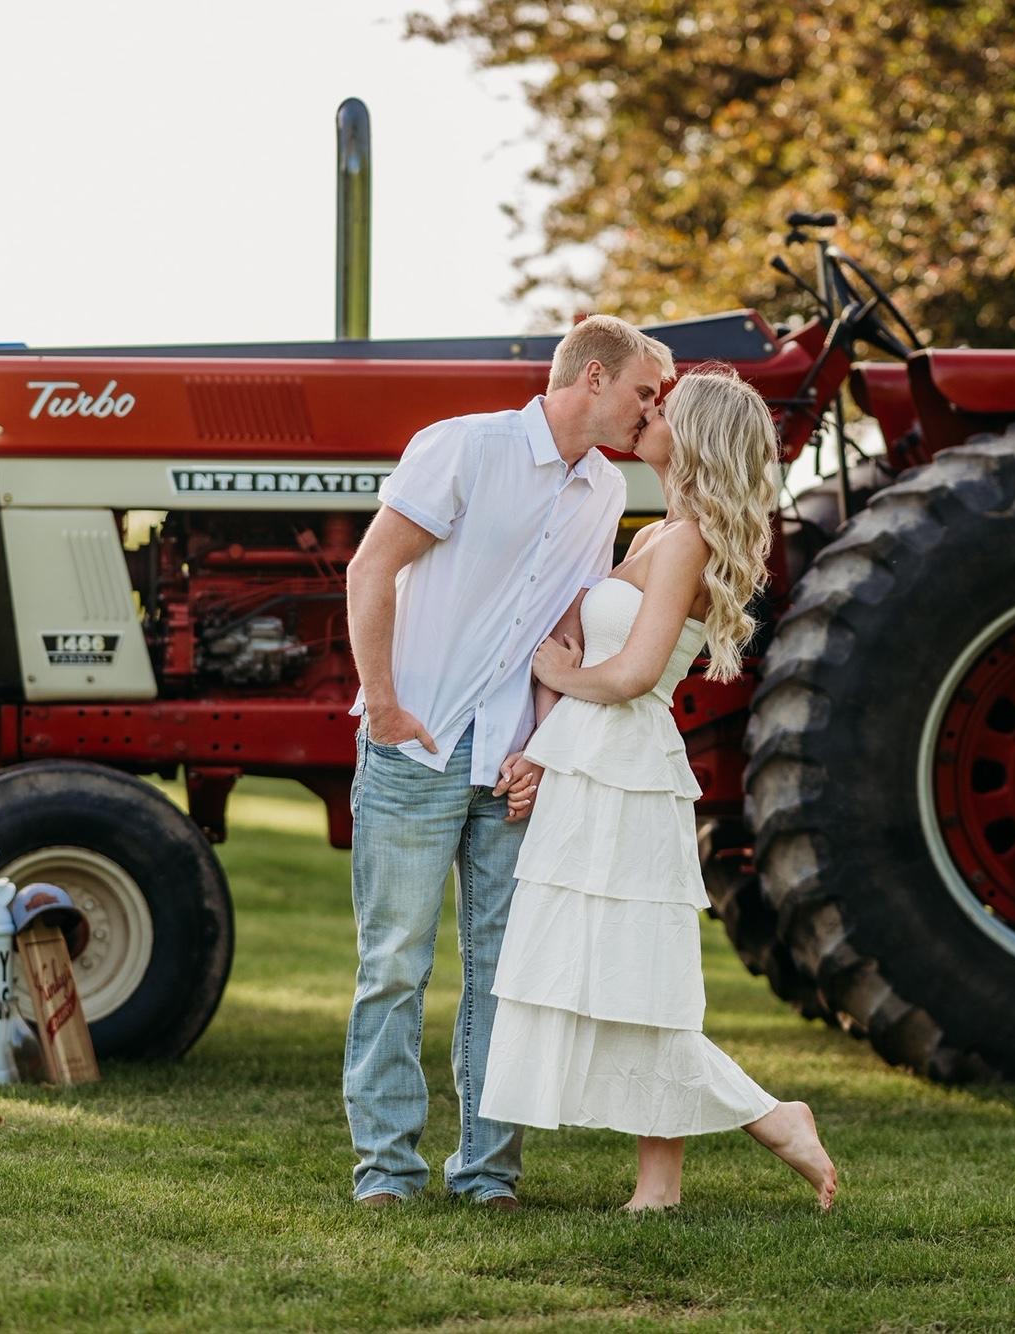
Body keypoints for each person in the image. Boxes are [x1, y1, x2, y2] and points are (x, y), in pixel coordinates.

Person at [479, 365, 838, 1212]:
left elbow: (636, 675)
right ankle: (688, 1166)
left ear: (697, 434)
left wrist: (563, 675)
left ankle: (743, 1134)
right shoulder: (653, 535)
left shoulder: (686, 542)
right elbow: (589, 653)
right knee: (596, 972)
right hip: (592, 760)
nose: (646, 411)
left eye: (663, 408)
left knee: (638, 974)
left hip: (631, 771)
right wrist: (544, 746)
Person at [343, 316, 676, 1208]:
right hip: (415, 747)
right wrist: (382, 703)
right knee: (396, 963)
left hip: (512, 766)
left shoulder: (605, 492)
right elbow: (370, 570)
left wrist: (542, 745)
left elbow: (567, 633)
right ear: (596, 378)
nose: (652, 410)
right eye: (645, 392)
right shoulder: (464, 449)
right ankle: (386, 1171)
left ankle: (487, 1174)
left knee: (503, 971)